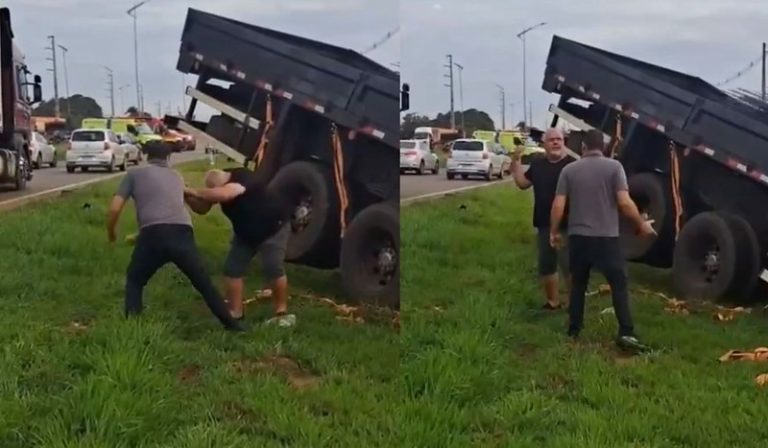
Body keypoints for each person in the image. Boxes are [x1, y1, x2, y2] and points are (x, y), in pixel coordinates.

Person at [106, 141, 245, 332]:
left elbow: (114, 209)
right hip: (182, 232)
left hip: (153, 235)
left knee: (135, 280)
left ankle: (133, 327)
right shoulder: (176, 176)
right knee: (203, 284)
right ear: (168, 157)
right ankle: (233, 326)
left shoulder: (134, 175)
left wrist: (112, 233)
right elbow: (173, 209)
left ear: (146, 155)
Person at [549, 129, 655, 352]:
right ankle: (626, 332)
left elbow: (558, 205)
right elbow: (624, 202)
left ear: (583, 147)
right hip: (606, 239)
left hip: (578, 238)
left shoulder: (569, 170)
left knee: (578, 285)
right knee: (618, 284)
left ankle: (574, 330)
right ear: (603, 147)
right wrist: (641, 224)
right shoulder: (614, 167)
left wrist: (554, 231)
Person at [184, 167, 295, 327]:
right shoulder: (221, 186)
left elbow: (225, 194)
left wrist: (193, 191)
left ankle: (281, 312)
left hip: (273, 227)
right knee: (232, 269)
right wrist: (186, 195)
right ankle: (236, 313)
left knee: (273, 267)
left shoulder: (242, 176)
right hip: (246, 234)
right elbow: (202, 209)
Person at [511, 128, 575, 310]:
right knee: (547, 265)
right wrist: (516, 162)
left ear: (564, 143)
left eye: (559, 139)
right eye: (551, 140)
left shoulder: (572, 166)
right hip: (544, 223)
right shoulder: (538, 165)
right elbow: (523, 183)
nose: (555, 142)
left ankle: (575, 303)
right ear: (544, 144)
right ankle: (553, 302)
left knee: (570, 266)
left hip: (568, 225)